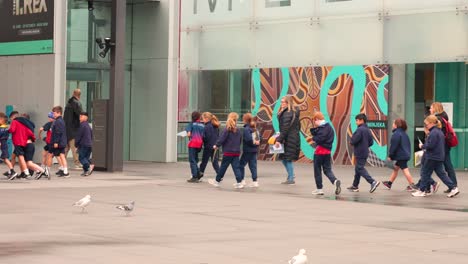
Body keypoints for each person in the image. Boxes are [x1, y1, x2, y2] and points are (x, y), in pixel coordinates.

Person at [412, 115, 459, 198]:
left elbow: (431, 145)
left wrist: (422, 146)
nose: (426, 125)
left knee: (425, 173)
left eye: (426, 124)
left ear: (431, 123)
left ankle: (422, 190)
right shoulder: (439, 132)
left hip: (432, 156)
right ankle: (453, 187)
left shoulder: (433, 133)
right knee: (441, 174)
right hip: (439, 156)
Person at [8, 113, 48, 180]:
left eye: (11, 118)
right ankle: (36, 171)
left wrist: (6, 130)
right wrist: (32, 139)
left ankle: (27, 172)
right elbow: (30, 133)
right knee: (26, 161)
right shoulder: (26, 125)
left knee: (23, 159)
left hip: (19, 142)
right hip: (27, 143)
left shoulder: (15, 122)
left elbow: (12, 130)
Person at [208, 112, 243, 188]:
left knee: (223, 167)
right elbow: (240, 140)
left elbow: (221, 139)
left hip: (228, 152)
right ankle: (239, 182)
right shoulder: (238, 130)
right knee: (236, 168)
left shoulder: (227, 129)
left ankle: (217, 181)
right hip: (236, 152)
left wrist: (216, 145)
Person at [347, 113, 380, 193]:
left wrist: (352, 142)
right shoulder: (367, 129)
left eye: (357, 120)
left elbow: (354, 140)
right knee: (357, 169)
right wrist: (365, 145)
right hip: (364, 151)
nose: (356, 122)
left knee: (360, 168)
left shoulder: (360, 130)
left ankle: (372, 182)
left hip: (359, 152)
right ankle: (355, 185)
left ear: (362, 120)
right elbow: (371, 142)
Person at [310, 111, 341, 195]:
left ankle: (319, 189)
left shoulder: (322, 128)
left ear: (317, 119)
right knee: (327, 170)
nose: (314, 123)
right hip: (327, 151)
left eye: (314, 121)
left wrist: (314, 138)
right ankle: (335, 181)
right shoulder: (329, 127)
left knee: (317, 170)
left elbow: (320, 139)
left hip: (319, 151)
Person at [382, 118, 417, 191]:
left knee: (405, 170)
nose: (392, 124)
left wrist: (390, 156)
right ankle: (389, 183)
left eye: (393, 123)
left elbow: (393, 146)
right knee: (396, 169)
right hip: (404, 155)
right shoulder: (404, 134)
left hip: (401, 156)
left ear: (396, 125)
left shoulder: (396, 134)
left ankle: (412, 185)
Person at [430, 102, 458, 193]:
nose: (430, 109)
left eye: (431, 108)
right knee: (446, 165)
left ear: (435, 108)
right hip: (445, 145)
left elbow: (438, 133)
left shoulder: (439, 119)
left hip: (442, 146)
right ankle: (453, 185)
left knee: (433, 165)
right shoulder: (443, 117)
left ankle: (453, 186)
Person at [275, 95, 301, 185]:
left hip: (289, 138)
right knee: (284, 158)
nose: (281, 103)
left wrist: (279, 140)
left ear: (288, 103)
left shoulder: (287, 113)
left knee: (287, 159)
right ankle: (291, 175)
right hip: (291, 137)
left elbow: (285, 128)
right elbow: (298, 126)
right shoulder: (292, 112)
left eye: (283, 102)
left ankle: (291, 178)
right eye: (281, 102)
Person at [239, 113, 260, 188]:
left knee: (241, 165)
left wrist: (252, 143)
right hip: (254, 150)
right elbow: (257, 140)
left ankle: (242, 180)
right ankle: (255, 182)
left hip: (248, 150)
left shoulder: (246, 129)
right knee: (253, 166)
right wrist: (255, 144)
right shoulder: (254, 128)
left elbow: (248, 139)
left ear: (245, 120)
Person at [64, 89, 83, 169]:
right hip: (73, 128)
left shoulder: (68, 103)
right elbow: (80, 114)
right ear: (79, 95)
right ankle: (77, 163)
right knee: (74, 147)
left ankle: (62, 163)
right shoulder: (77, 103)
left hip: (67, 128)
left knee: (67, 147)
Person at [197, 112, 220, 180]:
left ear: (207, 118)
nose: (202, 120)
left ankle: (200, 174)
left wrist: (202, 140)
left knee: (204, 161)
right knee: (214, 161)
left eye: (203, 119)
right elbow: (218, 135)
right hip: (215, 146)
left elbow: (206, 137)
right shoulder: (215, 125)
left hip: (208, 146)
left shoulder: (207, 126)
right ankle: (219, 174)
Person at [186, 111, 205, 183]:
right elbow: (204, 135)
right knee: (195, 159)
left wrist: (189, 135)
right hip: (199, 144)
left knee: (192, 160)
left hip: (193, 143)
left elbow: (188, 134)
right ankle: (198, 173)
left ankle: (195, 176)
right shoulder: (202, 125)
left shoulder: (191, 124)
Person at [51, 106, 70, 178]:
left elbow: (58, 132)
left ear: (59, 113)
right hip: (62, 141)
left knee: (61, 156)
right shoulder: (61, 120)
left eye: (54, 113)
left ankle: (65, 171)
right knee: (61, 156)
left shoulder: (58, 121)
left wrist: (56, 142)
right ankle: (64, 170)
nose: (53, 115)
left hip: (59, 142)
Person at [75, 112, 94, 176]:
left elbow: (78, 136)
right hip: (89, 145)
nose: (80, 118)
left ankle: (89, 166)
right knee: (86, 158)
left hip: (83, 144)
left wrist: (76, 144)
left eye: (81, 116)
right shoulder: (88, 125)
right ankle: (86, 171)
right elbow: (92, 135)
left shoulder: (82, 125)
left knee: (81, 158)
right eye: (79, 116)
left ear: (86, 117)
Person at [0, 113, 17, 179]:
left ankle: (12, 172)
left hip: (2, 143)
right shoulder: (6, 127)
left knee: (5, 159)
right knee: (5, 158)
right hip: (4, 143)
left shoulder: (1, 129)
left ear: (1, 120)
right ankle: (12, 171)